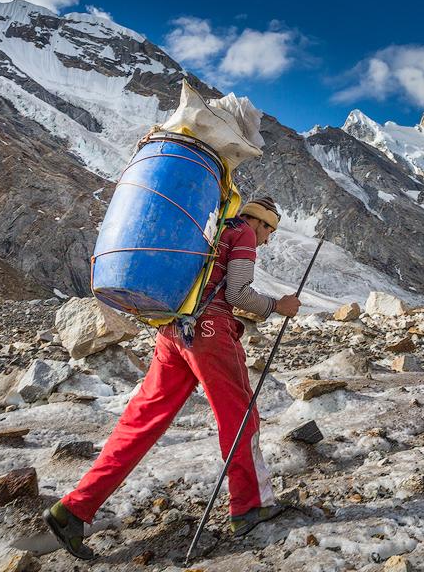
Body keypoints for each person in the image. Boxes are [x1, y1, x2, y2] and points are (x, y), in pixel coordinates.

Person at [44, 196, 301, 560]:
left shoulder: (211, 229)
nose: (267, 241)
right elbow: (238, 293)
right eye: (269, 231)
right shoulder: (242, 233)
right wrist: (278, 306)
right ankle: (250, 506)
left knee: (142, 420)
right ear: (260, 222)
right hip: (210, 334)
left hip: (172, 331)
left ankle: (73, 509)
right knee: (240, 417)